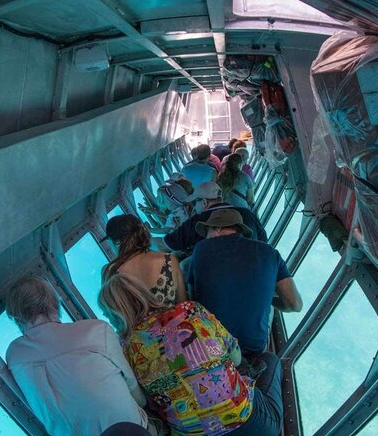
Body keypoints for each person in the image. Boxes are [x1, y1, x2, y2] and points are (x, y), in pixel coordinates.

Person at [98, 275, 284, 436]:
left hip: (191, 432)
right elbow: (235, 358)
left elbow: (144, 400)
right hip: (252, 425)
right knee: (270, 360)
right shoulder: (190, 310)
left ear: (116, 315)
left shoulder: (126, 348)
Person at [4, 275, 153, 435]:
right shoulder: (96, 330)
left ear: (15, 317)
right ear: (55, 303)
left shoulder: (14, 355)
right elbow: (135, 390)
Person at [186, 209, 303, 355]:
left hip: (209, 342)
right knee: (269, 307)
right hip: (252, 349)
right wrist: (267, 299)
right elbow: (295, 305)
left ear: (217, 228)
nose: (206, 237)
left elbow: (192, 298)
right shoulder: (271, 252)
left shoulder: (201, 248)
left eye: (207, 231)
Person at [102, 214, 187, 307]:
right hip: (178, 320)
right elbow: (183, 304)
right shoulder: (168, 260)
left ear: (117, 242)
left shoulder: (110, 272)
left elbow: (115, 315)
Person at [161, 182, 267, 254]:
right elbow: (263, 241)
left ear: (204, 202)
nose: (193, 206)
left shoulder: (198, 221)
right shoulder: (247, 213)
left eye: (194, 202)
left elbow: (166, 245)